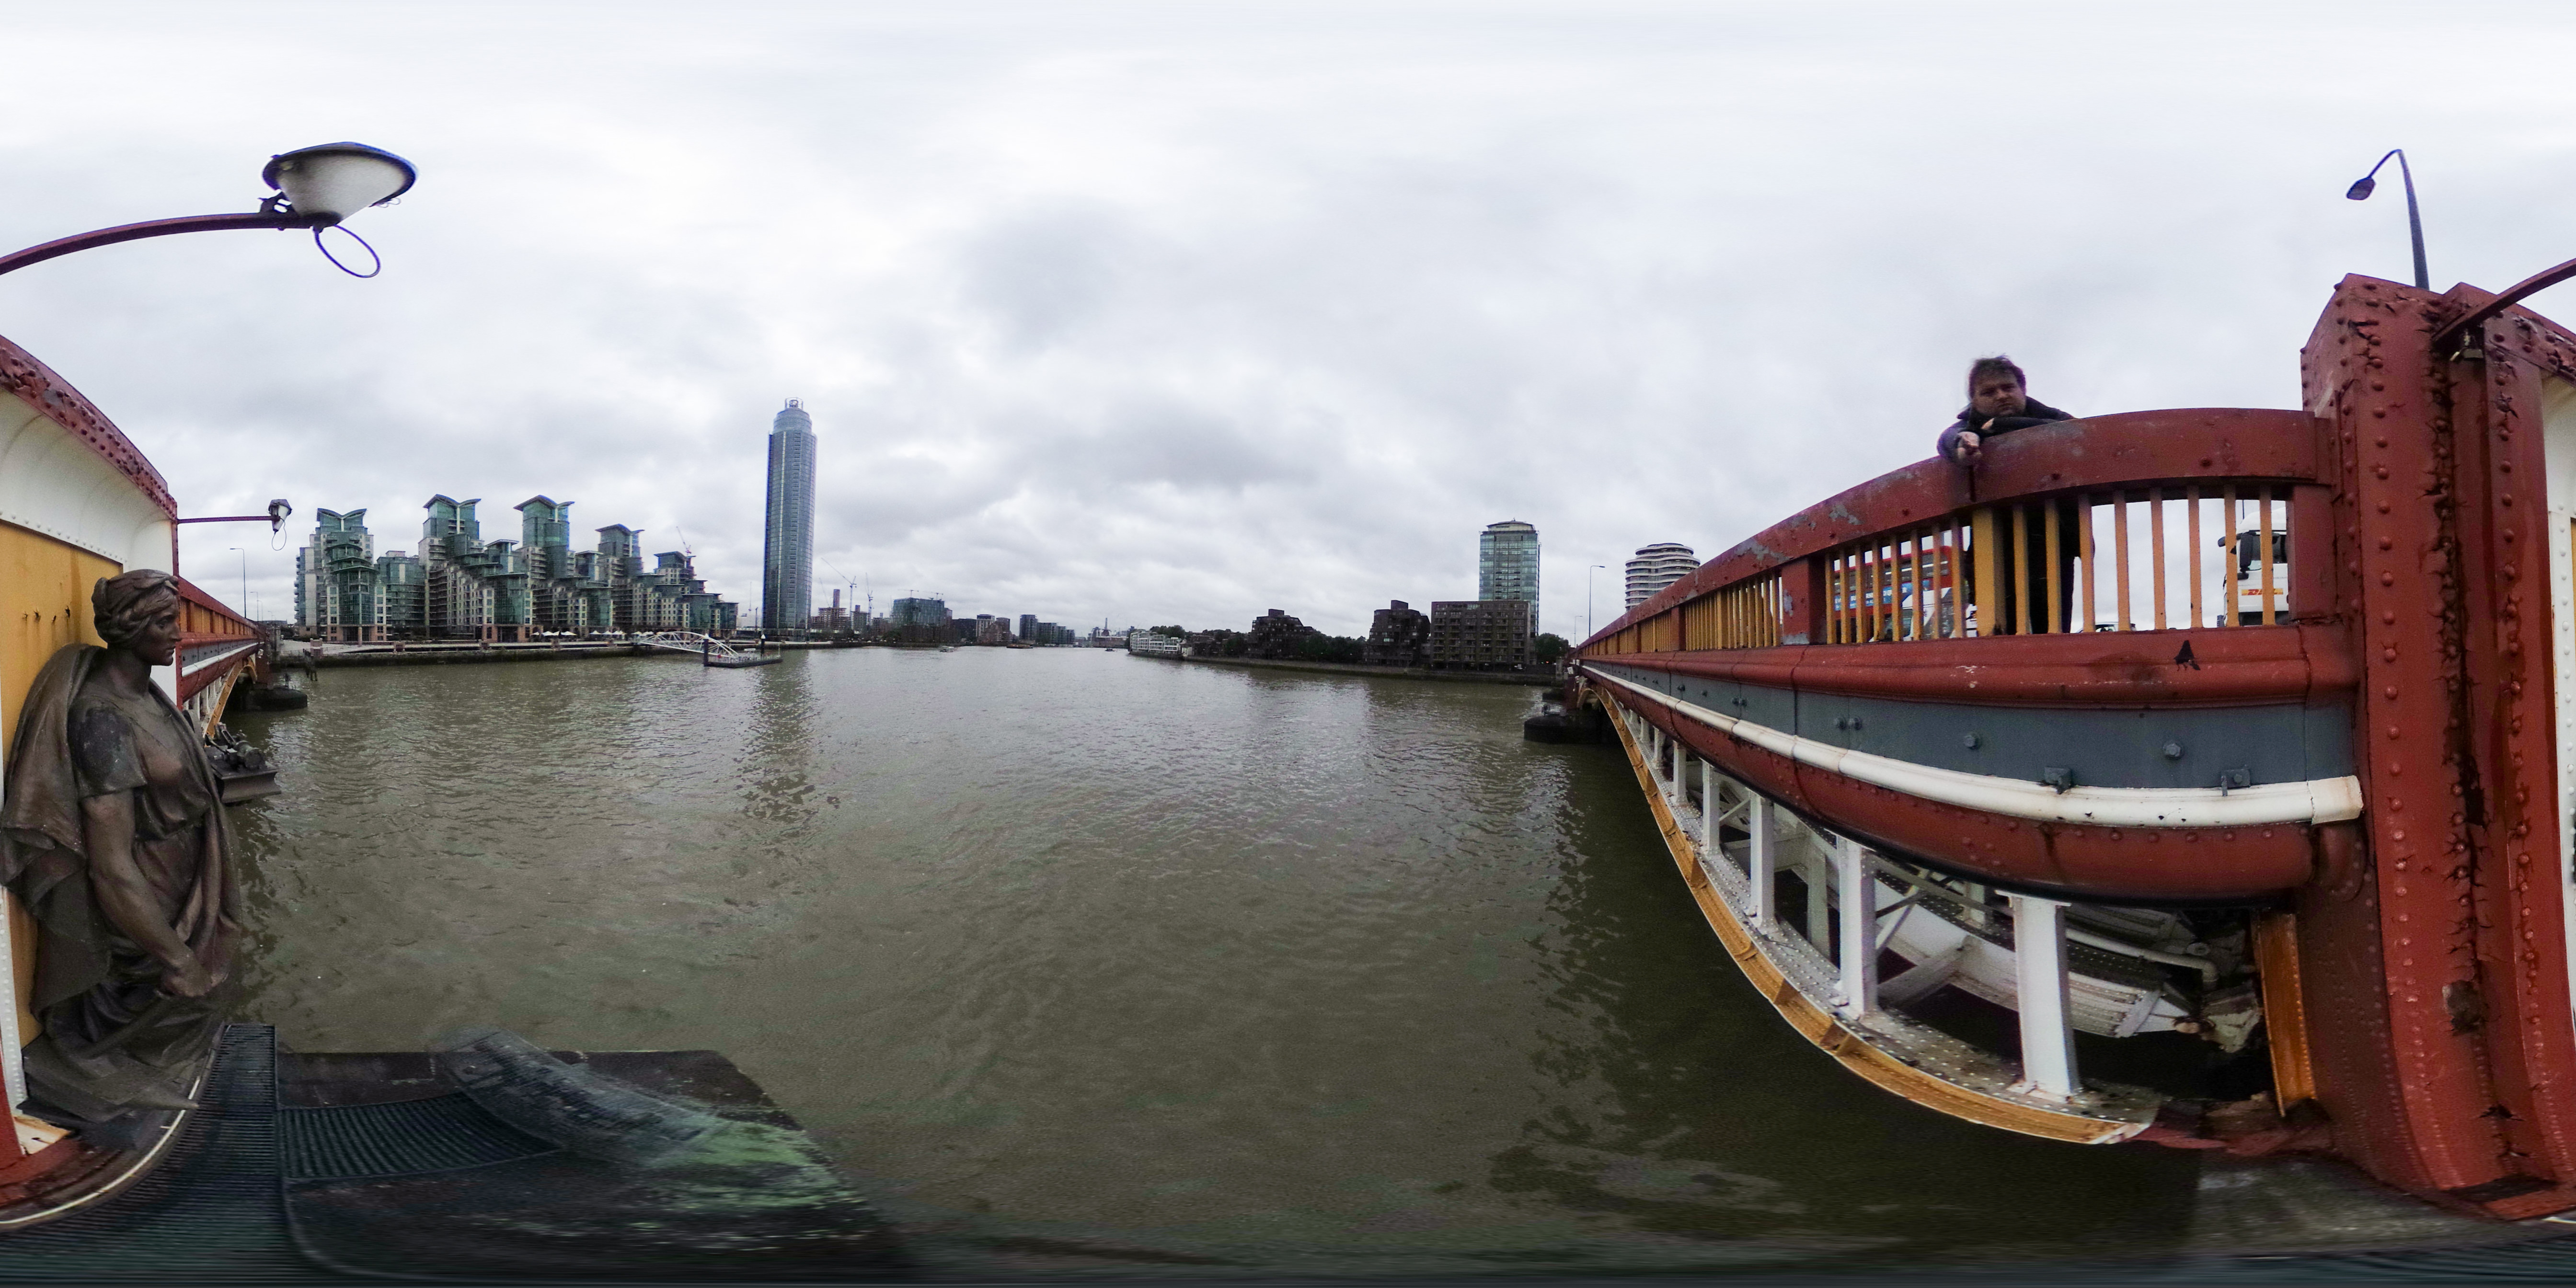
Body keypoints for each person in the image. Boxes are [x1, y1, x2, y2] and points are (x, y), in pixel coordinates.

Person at [0, 570, 243, 1140]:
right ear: (127, 629)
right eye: (163, 623)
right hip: (148, 887)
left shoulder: (148, 696)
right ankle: (109, 1068)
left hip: (184, 873)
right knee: (168, 987)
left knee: (198, 988)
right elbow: (111, 866)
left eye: (175, 620)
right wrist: (176, 958)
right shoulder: (102, 718)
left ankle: (151, 1061)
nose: (179, 635)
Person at [1937, 356, 2074, 464]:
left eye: (2008, 388)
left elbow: (2074, 428)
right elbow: (1948, 438)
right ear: (1974, 402)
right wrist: (1963, 444)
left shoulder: (2055, 416)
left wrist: (2000, 424)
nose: (2001, 396)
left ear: (2023, 390)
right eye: (1989, 392)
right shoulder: (1967, 427)